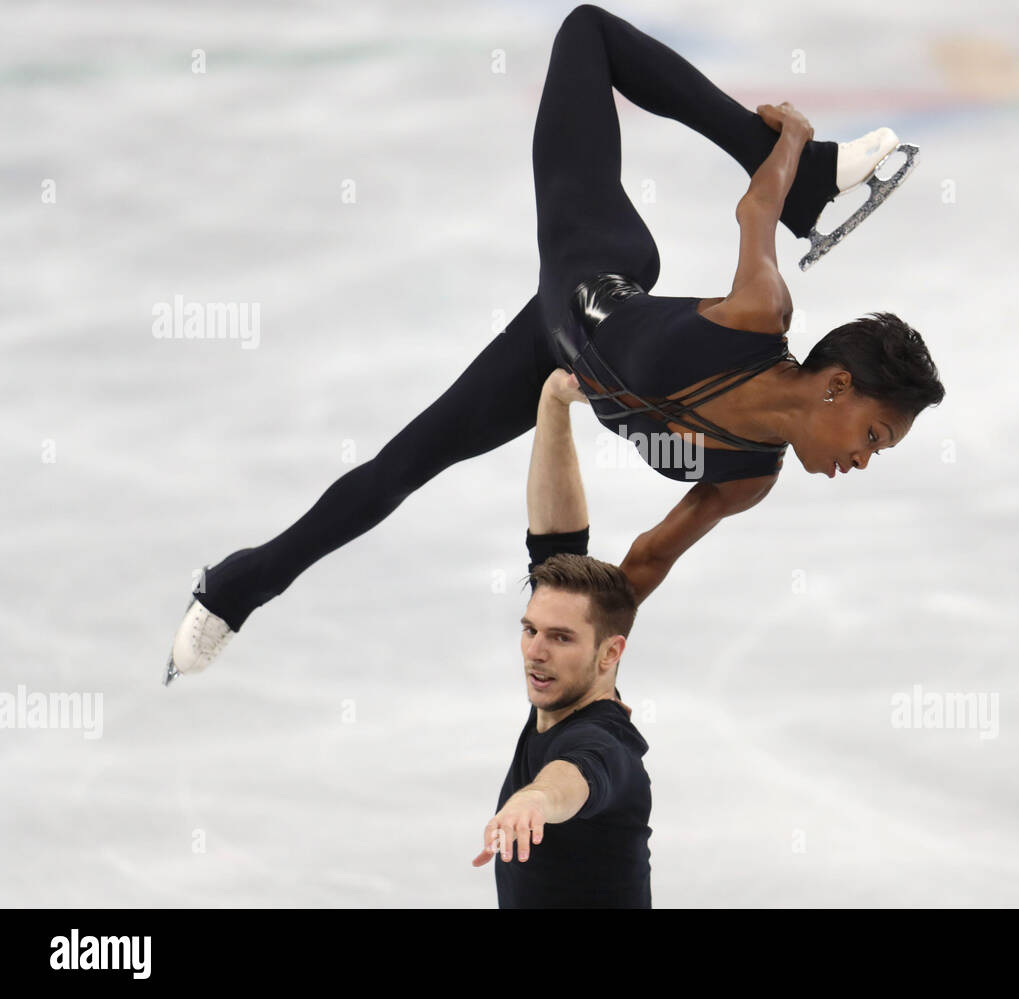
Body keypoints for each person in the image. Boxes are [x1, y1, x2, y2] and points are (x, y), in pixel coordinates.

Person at [166, 4, 945, 683]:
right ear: (836, 385)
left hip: (556, 357)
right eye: (875, 435)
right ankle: (238, 588)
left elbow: (644, 562)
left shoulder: (749, 478)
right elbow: (754, 214)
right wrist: (789, 151)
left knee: (402, 466)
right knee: (587, 32)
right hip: (593, 256)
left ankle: (237, 582)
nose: (865, 459)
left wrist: (591, 670)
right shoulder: (758, 315)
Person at [473, 369, 651, 908]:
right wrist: (554, 402)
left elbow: (574, 779)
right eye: (529, 629)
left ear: (610, 653)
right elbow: (555, 536)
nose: (536, 650)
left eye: (559, 637)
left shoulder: (605, 745)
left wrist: (536, 800)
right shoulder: (567, 694)